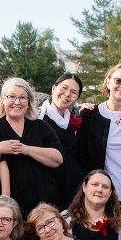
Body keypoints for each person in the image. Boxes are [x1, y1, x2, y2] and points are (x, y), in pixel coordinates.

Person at [0, 77, 64, 215]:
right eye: (11, 97)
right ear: (3, 99)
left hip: (44, 202)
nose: (17, 102)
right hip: (9, 205)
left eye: (22, 97)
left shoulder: (41, 126)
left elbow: (58, 159)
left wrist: (26, 149)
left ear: (29, 101)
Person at [78, 63, 121, 202]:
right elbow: (81, 157)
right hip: (103, 197)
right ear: (108, 82)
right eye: (118, 81)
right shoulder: (90, 115)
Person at [39, 73, 85, 208]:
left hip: (71, 189)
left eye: (74, 92)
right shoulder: (37, 117)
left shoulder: (74, 119)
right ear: (54, 88)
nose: (67, 94)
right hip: (46, 187)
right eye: (64, 88)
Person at [63, 169, 121, 240]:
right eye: (95, 185)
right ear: (84, 187)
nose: (99, 190)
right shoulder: (65, 220)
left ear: (110, 193)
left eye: (105, 187)